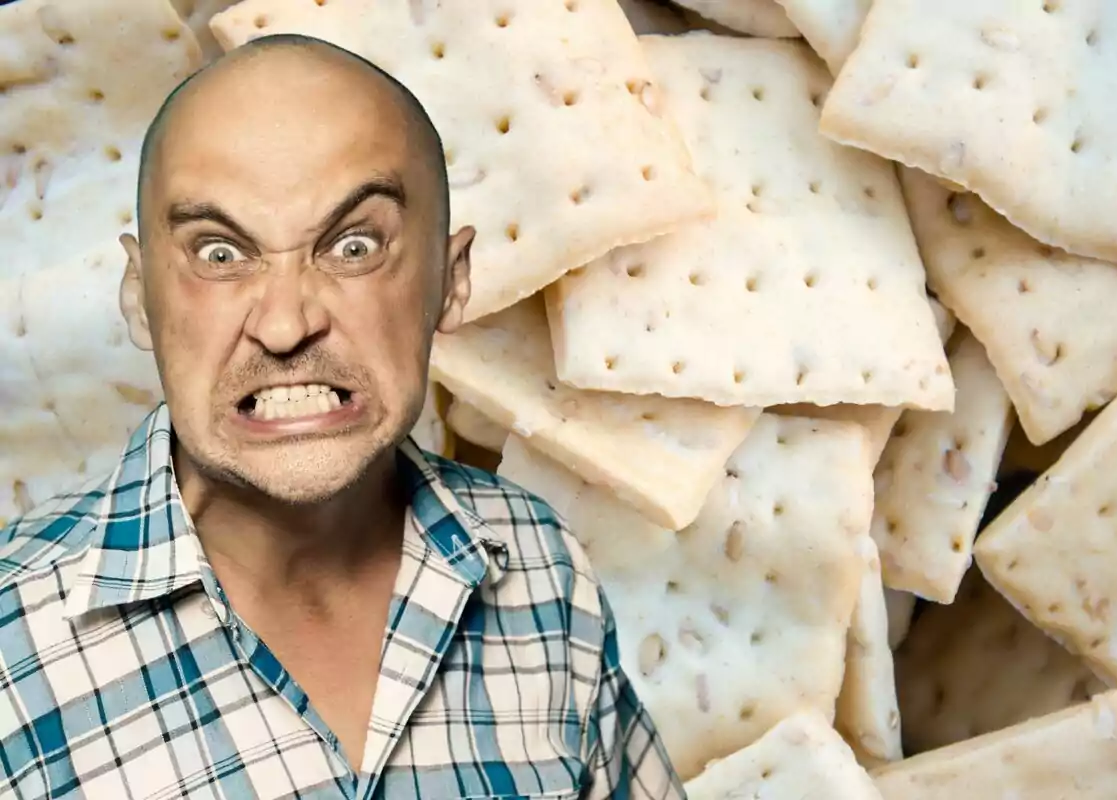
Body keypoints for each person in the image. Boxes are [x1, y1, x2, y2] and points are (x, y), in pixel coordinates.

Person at [0, 34, 683, 800]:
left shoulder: (540, 570)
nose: (287, 324)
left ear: (449, 282)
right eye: (221, 255)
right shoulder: (10, 647)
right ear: (139, 298)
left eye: (353, 246)